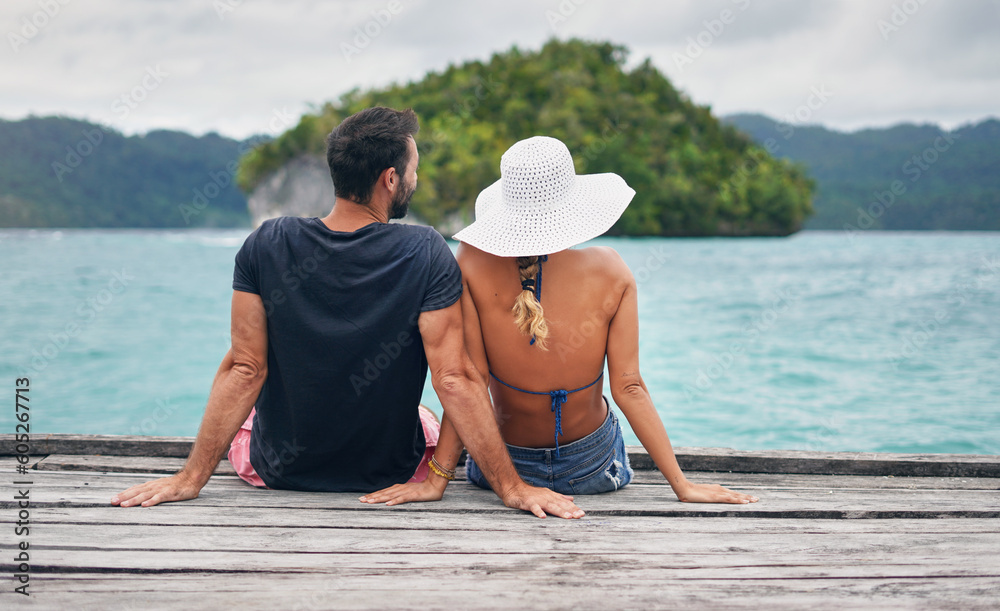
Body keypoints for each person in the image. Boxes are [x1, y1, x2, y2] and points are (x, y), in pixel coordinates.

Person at [111, 109, 584, 519]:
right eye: (413, 169)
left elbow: (245, 367)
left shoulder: (266, 243)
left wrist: (191, 478)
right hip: (389, 474)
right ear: (390, 179)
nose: (415, 179)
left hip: (278, 472)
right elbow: (456, 378)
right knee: (424, 414)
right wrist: (512, 487)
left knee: (247, 386)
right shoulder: (424, 251)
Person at [361, 136, 758, 505]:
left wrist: (437, 480)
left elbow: (470, 380)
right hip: (592, 468)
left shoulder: (467, 264)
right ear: (573, 207)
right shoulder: (612, 272)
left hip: (502, 466)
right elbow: (629, 386)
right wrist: (682, 485)